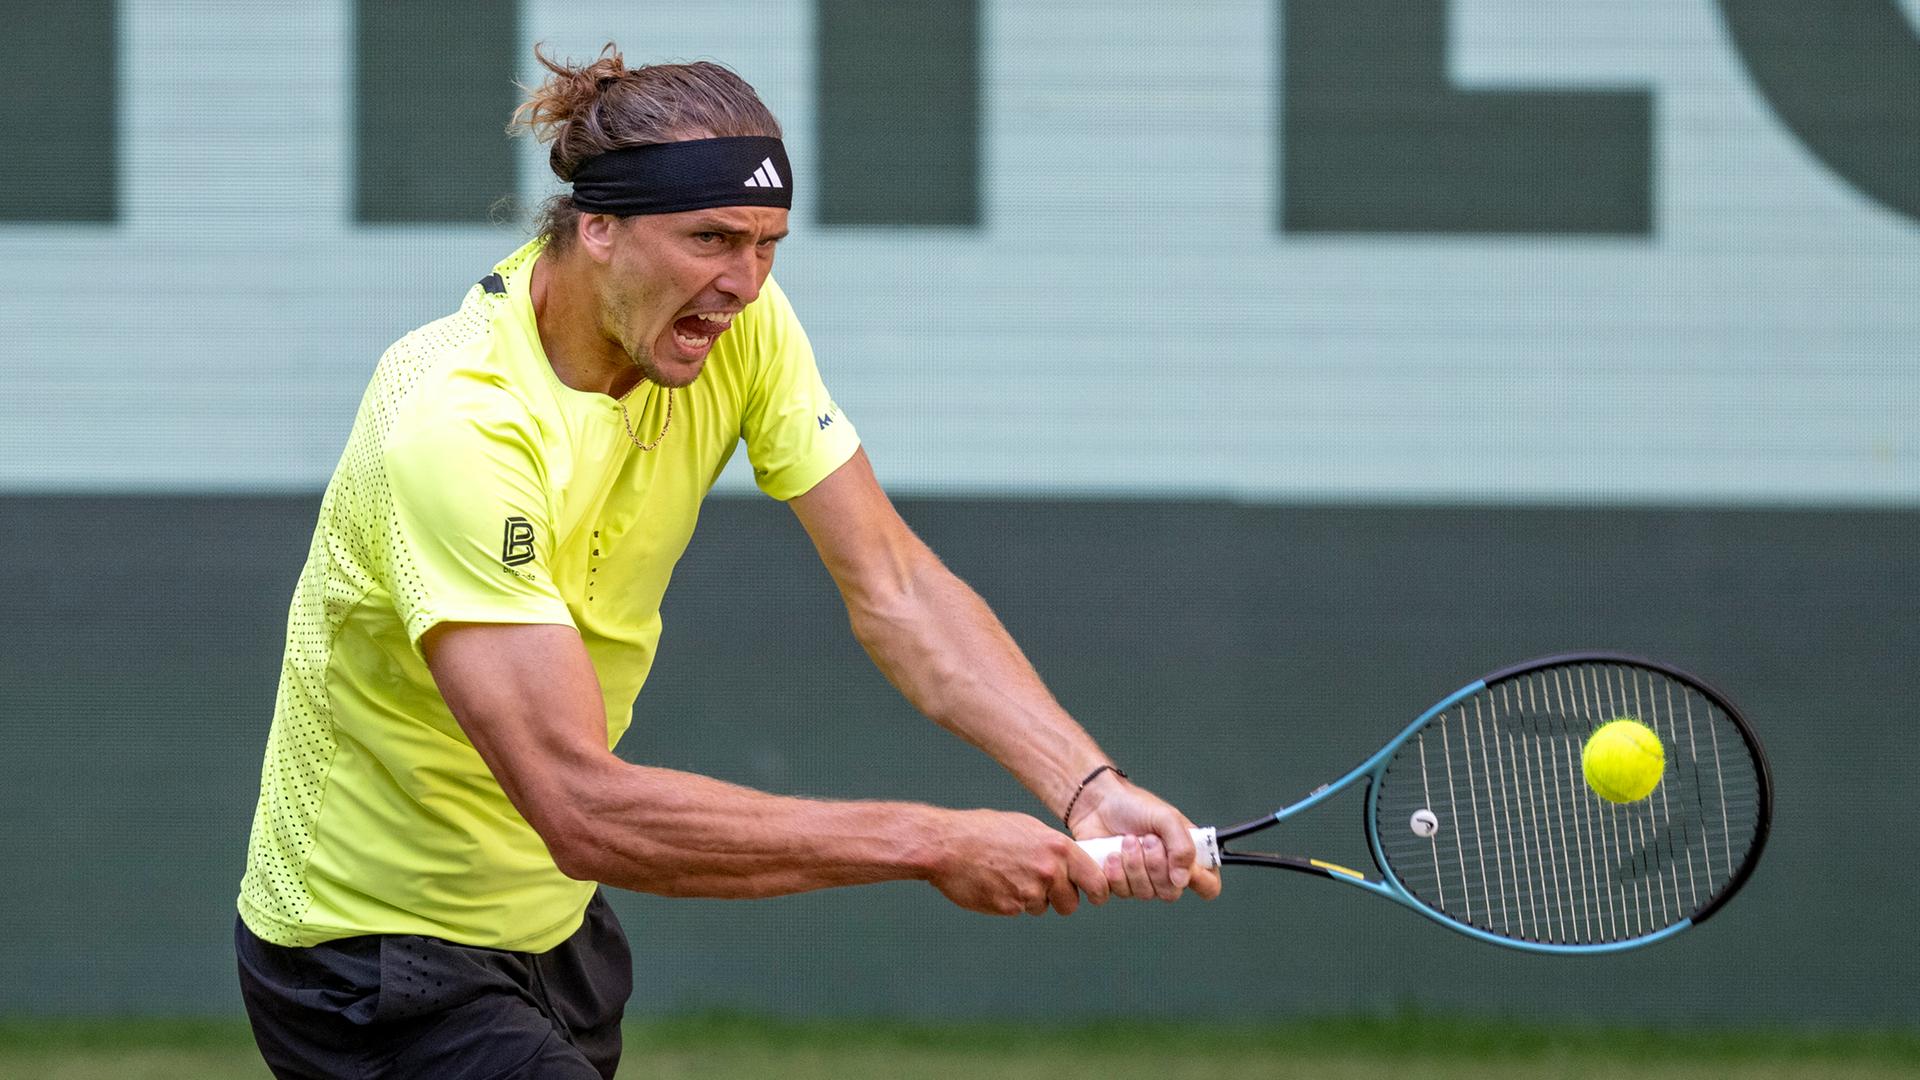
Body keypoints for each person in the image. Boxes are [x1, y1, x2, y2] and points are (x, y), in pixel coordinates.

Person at [234, 43, 1220, 1079]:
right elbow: (580, 804)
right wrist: (932, 841)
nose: (743, 283)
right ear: (597, 226)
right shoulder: (457, 424)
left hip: (555, 931)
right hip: (373, 952)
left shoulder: (731, 330)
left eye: (766, 245)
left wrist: (1086, 785)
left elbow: (896, 588)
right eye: (710, 237)